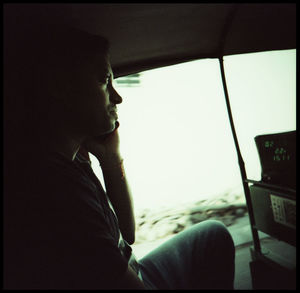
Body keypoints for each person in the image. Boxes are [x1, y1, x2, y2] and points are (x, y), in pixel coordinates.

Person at [4, 9, 235, 289]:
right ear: (60, 90)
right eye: (104, 81)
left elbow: (126, 233)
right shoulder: (54, 187)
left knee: (212, 234)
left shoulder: (74, 159)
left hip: (132, 268)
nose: (118, 97)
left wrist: (111, 158)